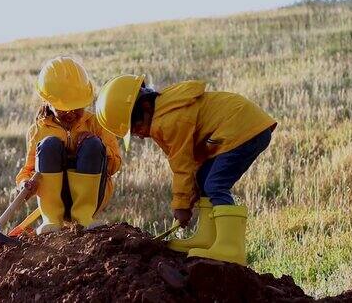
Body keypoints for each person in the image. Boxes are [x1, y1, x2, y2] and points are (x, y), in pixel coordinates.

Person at [95, 74, 276, 265]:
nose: (139, 136)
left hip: (243, 130)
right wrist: (192, 190)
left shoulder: (170, 121)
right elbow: (192, 158)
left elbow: (182, 164)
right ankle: (208, 239)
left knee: (216, 185)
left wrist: (181, 206)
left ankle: (231, 248)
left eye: (137, 127)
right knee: (204, 179)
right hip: (239, 128)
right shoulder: (164, 110)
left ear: (146, 107)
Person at [16, 56, 121, 234]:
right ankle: (51, 220)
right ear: (48, 103)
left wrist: (99, 145)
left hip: (92, 198)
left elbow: (115, 164)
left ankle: (84, 218)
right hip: (56, 198)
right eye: (64, 109)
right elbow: (27, 171)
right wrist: (25, 184)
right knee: (49, 144)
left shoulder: (96, 124)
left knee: (93, 144)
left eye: (77, 107)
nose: (71, 114)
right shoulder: (38, 131)